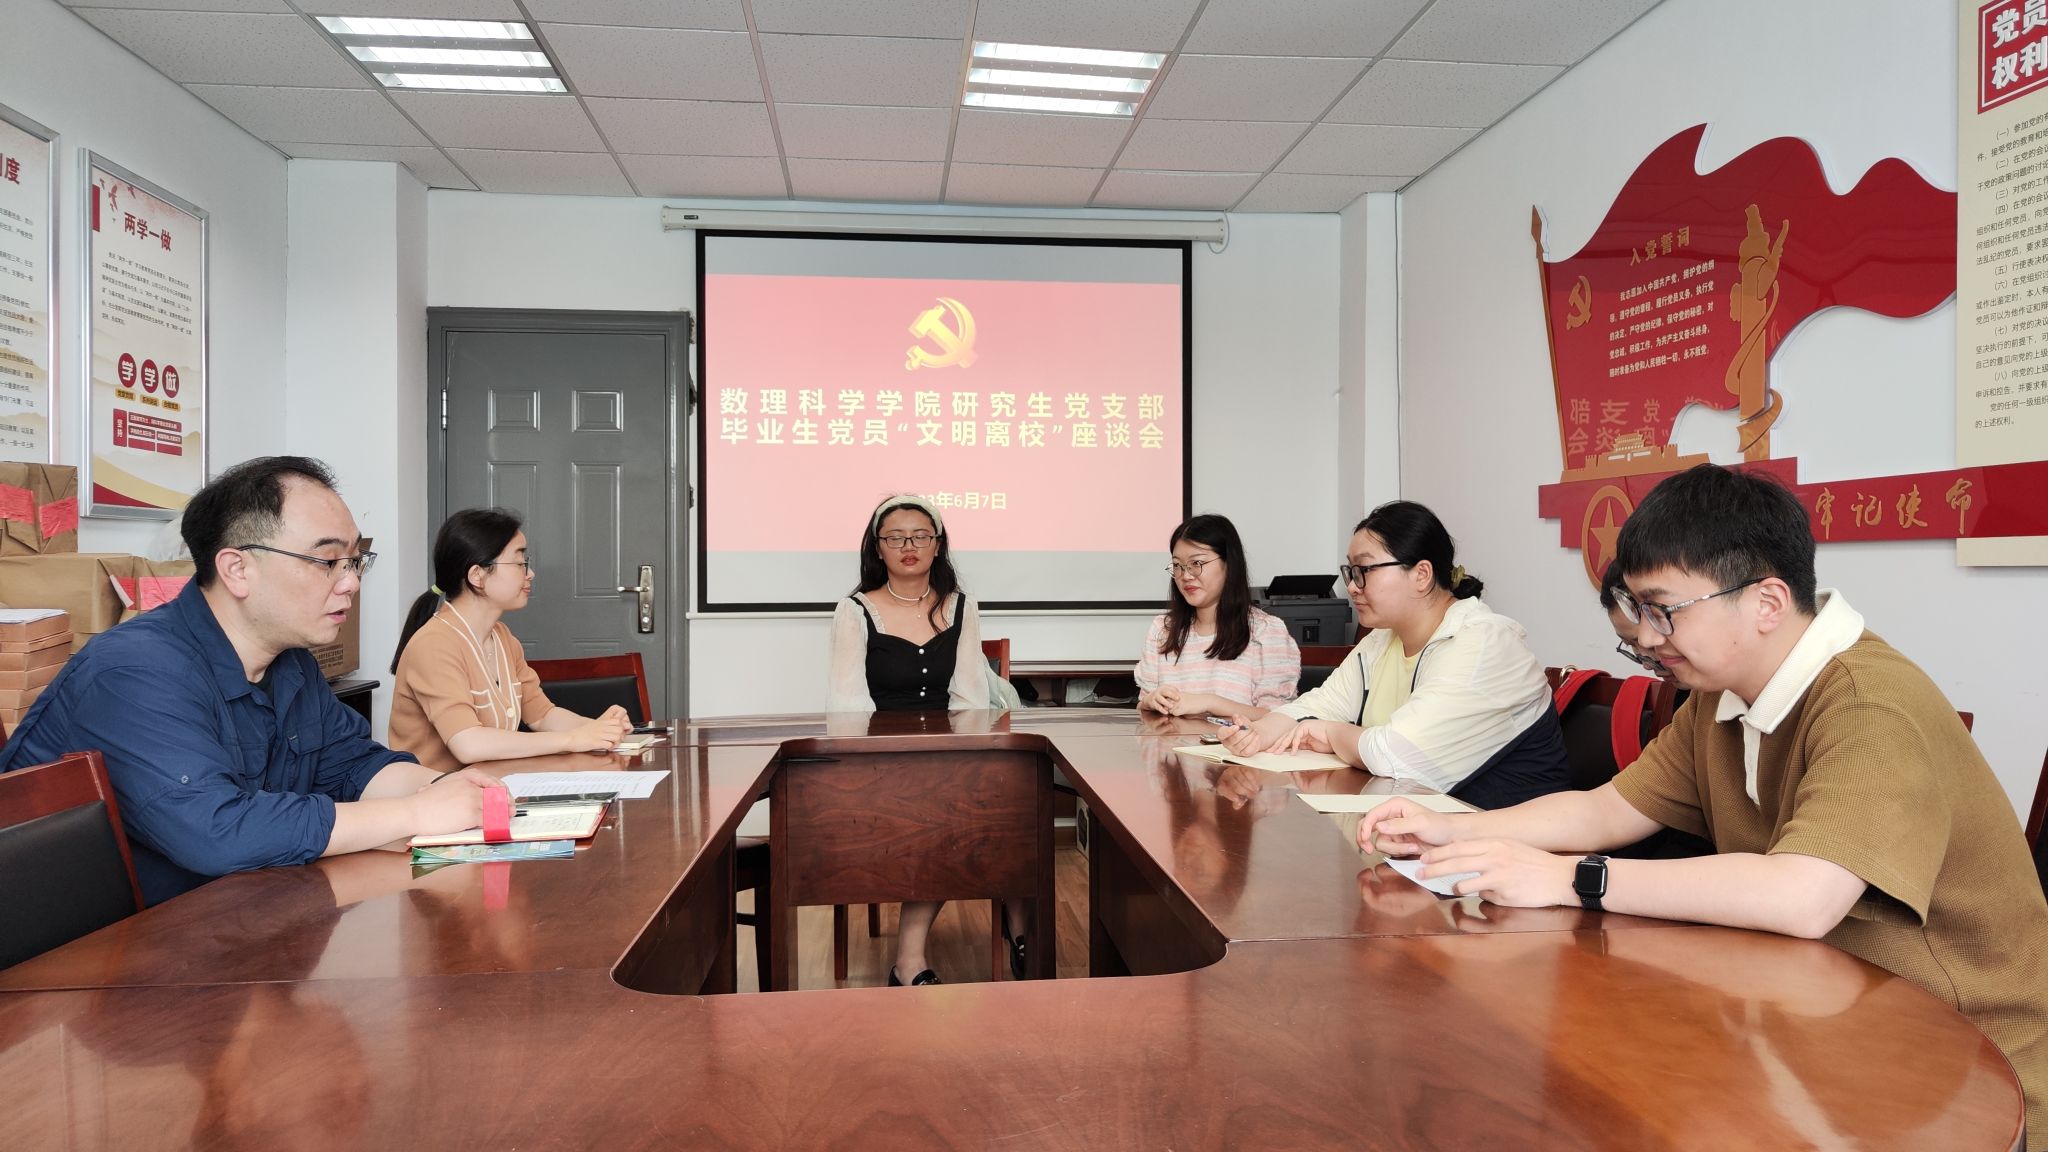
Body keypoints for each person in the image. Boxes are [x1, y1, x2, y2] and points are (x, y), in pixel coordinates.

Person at [1356, 465, 2048, 1145]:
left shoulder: (1869, 703)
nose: (1646, 637)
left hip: (1961, 1069)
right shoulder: (1721, 694)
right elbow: (1609, 810)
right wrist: (1452, 828)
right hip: (1815, 1018)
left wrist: (1573, 877)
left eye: (1663, 610)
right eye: (1639, 611)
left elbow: (1803, 896)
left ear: (1767, 602)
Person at [0, 456, 502, 905]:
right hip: (95, 958)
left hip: (235, 919)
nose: (350, 581)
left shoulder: (289, 661)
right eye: (328, 561)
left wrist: (452, 790)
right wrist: (415, 815)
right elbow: (217, 830)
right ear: (237, 569)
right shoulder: (134, 671)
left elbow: (353, 765)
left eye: (354, 561)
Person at [1221, 500, 1569, 810]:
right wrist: (1259, 733)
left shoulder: (1485, 643)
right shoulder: (1382, 640)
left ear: (1421, 574)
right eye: (1349, 571)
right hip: (1420, 828)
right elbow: (1318, 706)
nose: (1352, 586)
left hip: (1506, 840)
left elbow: (1394, 755)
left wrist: (1332, 734)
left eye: (1364, 571)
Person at [826, 493, 999, 987]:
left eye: (920, 536)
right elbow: (848, 707)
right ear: (877, 548)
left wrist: (960, 760)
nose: (908, 546)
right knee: (937, 821)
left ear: (937, 545)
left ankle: (1015, 927)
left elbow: (970, 697)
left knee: (996, 809)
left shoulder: (961, 606)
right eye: (895, 537)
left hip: (948, 756)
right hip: (881, 762)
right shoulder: (855, 610)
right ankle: (909, 960)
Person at [388, 508, 632, 772]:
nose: (530, 573)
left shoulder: (503, 637)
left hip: (492, 784)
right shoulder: (434, 645)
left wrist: (601, 729)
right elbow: (468, 743)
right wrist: (573, 739)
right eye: (519, 563)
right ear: (477, 575)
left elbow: (542, 715)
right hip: (438, 792)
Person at [1135, 514, 1299, 721]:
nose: (1186, 575)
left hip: (1234, 743)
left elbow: (1279, 717)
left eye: (1197, 563)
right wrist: (1150, 702)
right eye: (1177, 565)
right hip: (1173, 743)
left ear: (1229, 564)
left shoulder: (1266, 632)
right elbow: (1143, 709)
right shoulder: (1163, 629)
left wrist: (1211, 703)